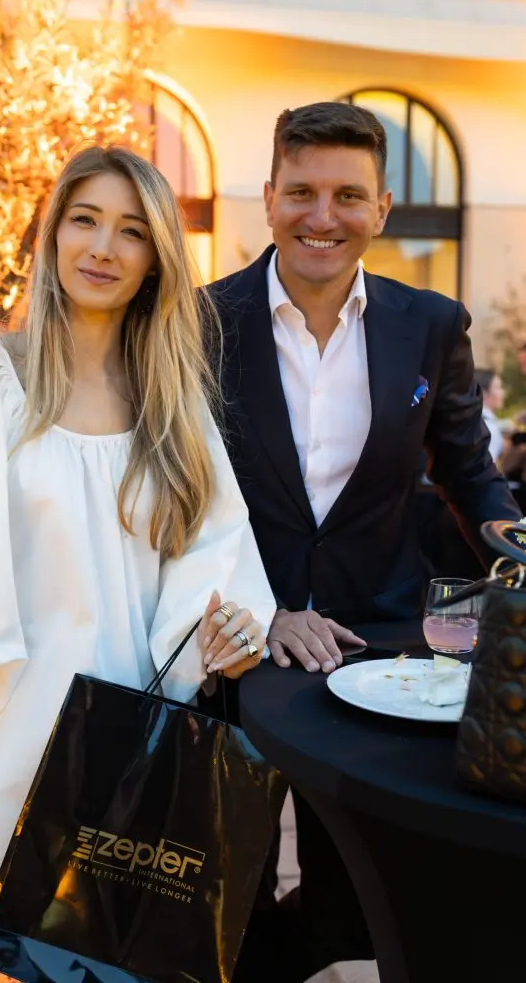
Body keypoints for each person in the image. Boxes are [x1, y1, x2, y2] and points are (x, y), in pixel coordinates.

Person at [0, 145, 276, 946]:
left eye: (131, 231)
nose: (103, 248)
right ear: (52, 235)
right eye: (84, 220)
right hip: (5, 749)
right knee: (8, 962)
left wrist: (235, 632)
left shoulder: (172, 406)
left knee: (120, 958)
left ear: (156, 259)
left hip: (136, 755)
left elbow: (219, 569)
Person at [207, 101, 521, 981]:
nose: (322, 216)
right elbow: (172, 496)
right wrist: (256, 608)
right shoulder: (197, 322)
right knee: (221, 888)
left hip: (371, 650)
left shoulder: (430, 324)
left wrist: (519, 554)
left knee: (357, 896)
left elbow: (467, 471)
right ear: (268, 198)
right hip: (230, 642)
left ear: (380, 209)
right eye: (300, 192)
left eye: (348, 195)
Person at [475, 367, 507, 463]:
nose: (503, 392)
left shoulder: (474, 420)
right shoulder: (490, 430)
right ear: (484, 392)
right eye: (499, 387)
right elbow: (486, 467)